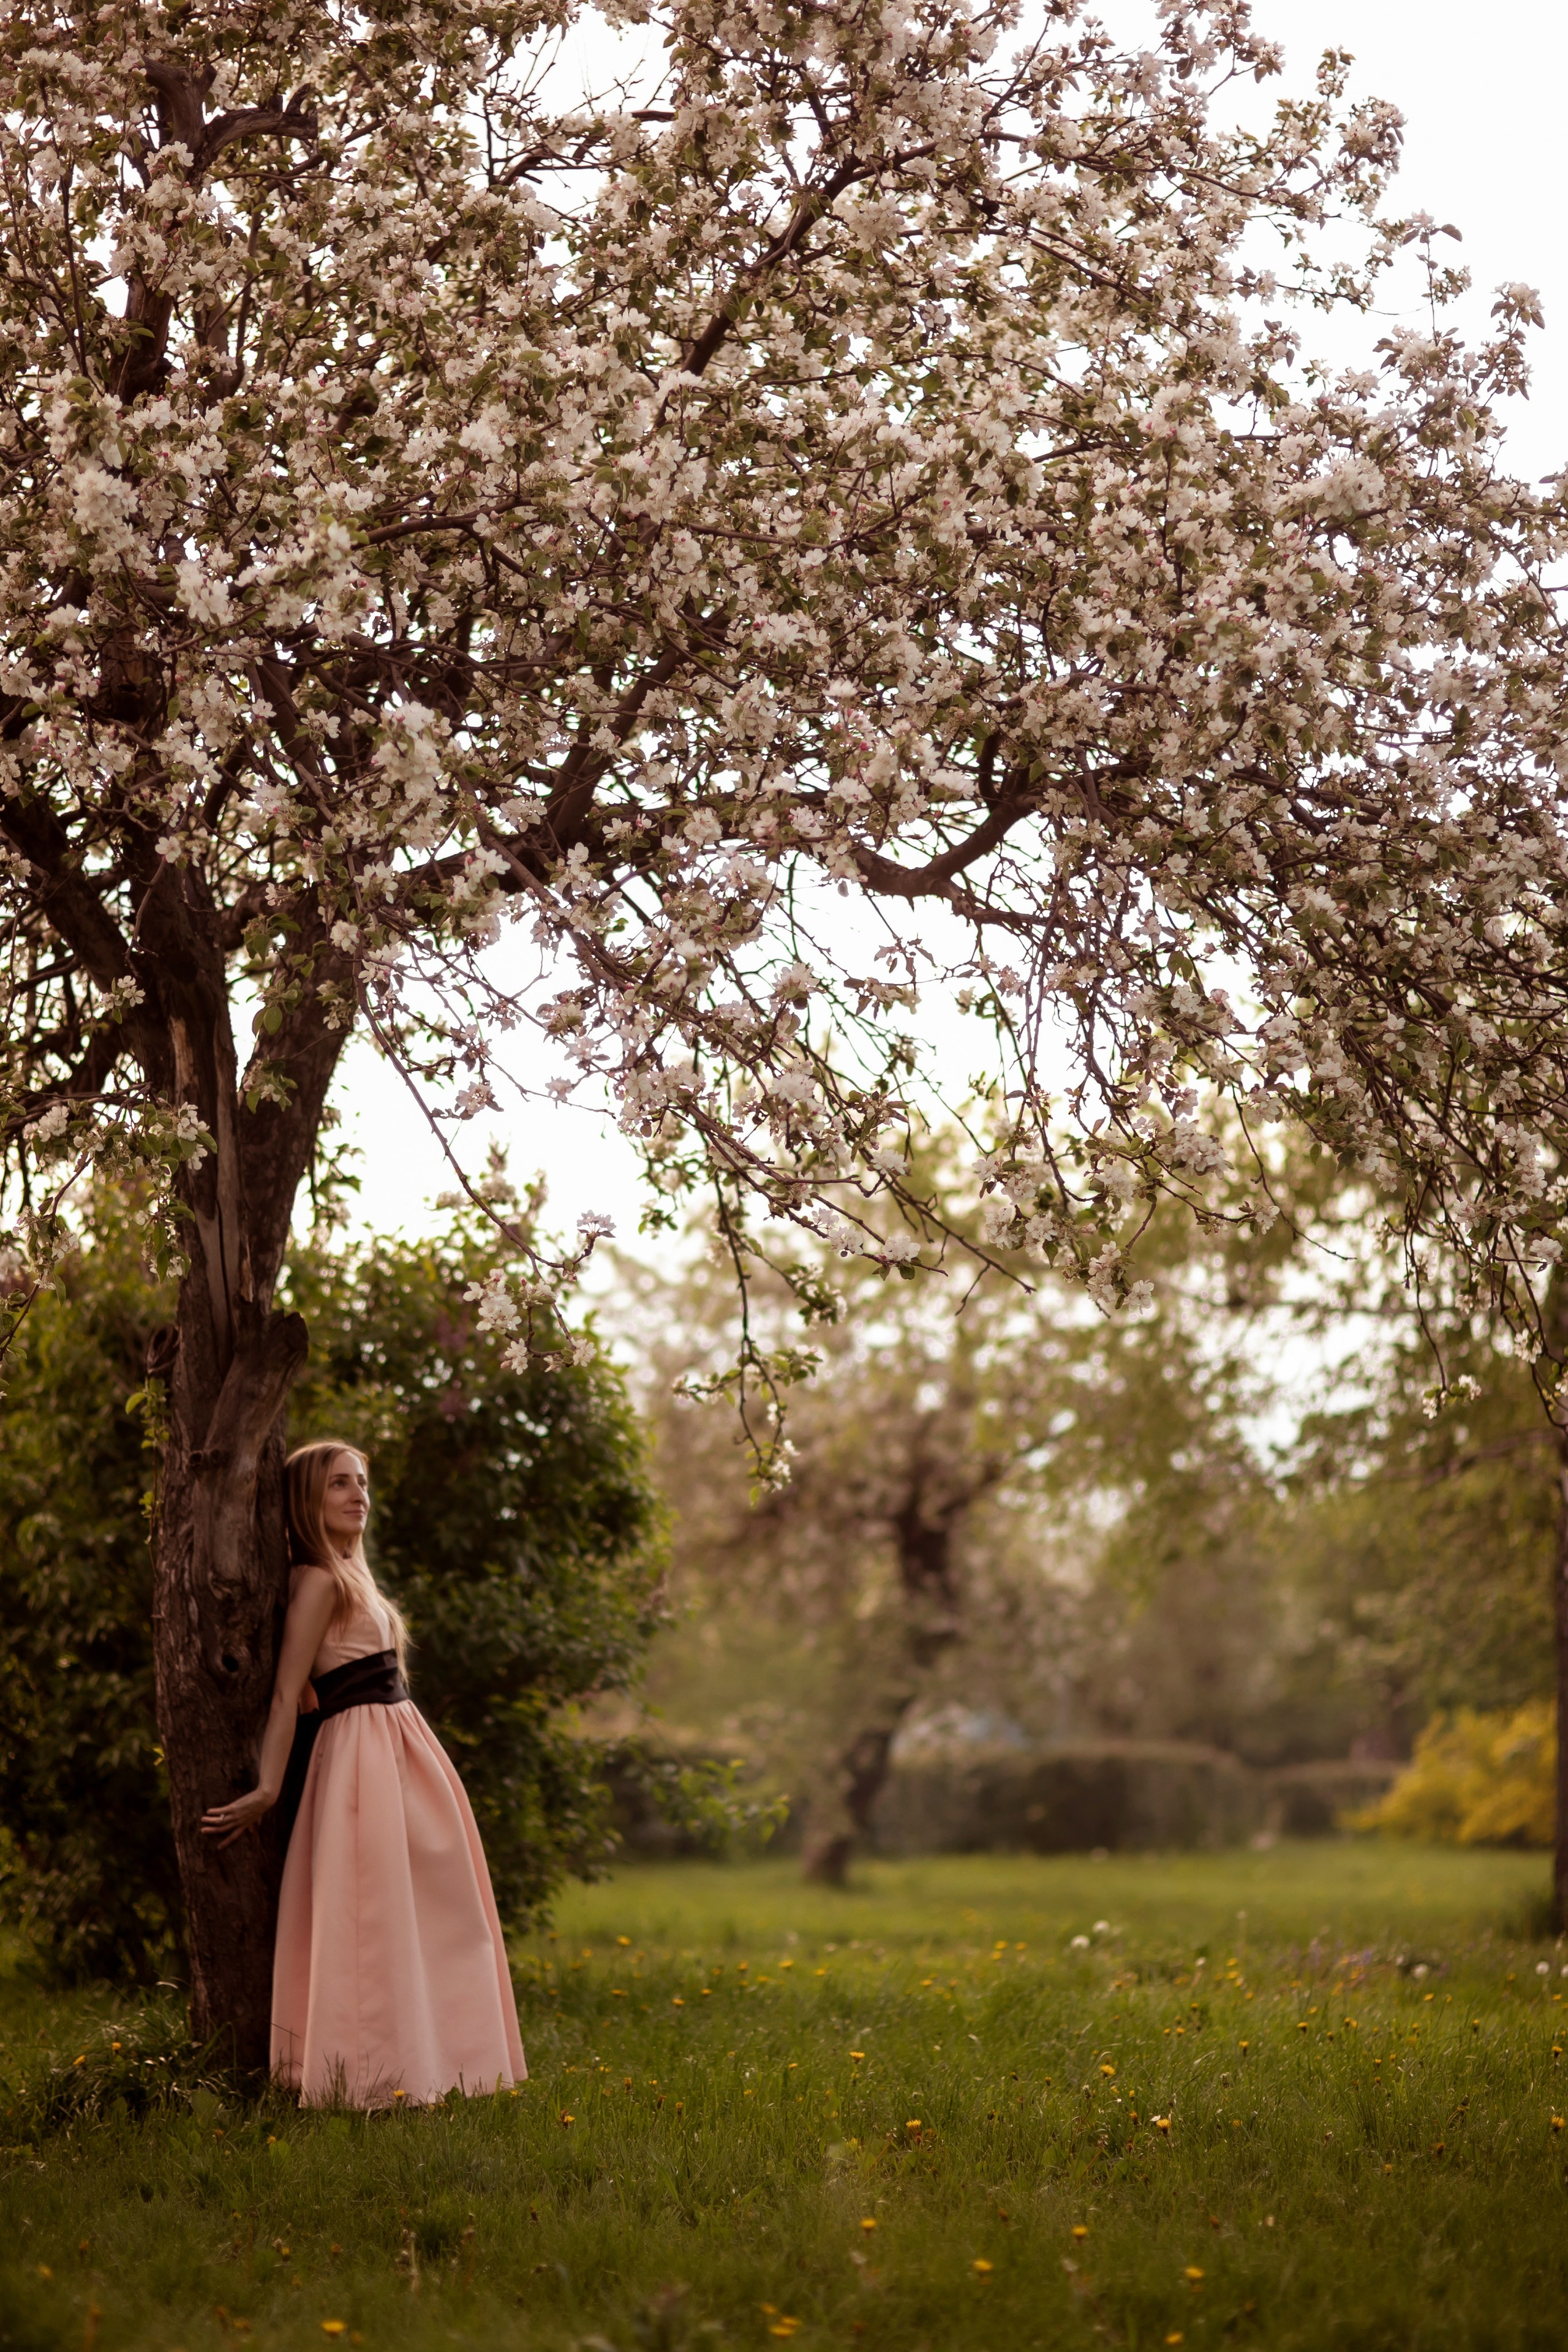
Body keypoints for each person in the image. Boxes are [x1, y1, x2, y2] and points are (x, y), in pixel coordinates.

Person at [200, 1440, 526, 2106]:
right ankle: (364, 2075)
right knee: (372, 1915)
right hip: (360, 1761)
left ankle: (439, 2063)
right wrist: (268, 1787)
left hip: (398, 1748)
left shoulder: (352, 1574)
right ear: (306, 1502)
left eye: (362, 1483)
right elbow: (289, 1690)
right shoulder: (317, 1579)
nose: (358, 1496)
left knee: (437, 1914)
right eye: (338, 1486)